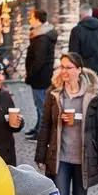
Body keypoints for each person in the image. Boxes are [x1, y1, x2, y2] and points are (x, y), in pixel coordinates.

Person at [35, 51, 98, 195]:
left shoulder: (93, 95)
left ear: (79, 70)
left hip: (84, 156)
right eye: (62, 66)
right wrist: (41, 155)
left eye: (68, 67)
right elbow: (46, 126)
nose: (64, 71)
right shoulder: (54, 94)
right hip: (62, 157)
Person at [68, 3, 98, 129]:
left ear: (81, 15)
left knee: (84, 98)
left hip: (85, 71)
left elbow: (73, 54)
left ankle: (87, 125)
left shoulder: (76, 31)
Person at [24, 7, 58, 139]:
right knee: (40, 103)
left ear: (37, 19)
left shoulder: (41, 37)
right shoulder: (41, 35)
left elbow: (39, 59)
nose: (30, 20)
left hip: (40, 76)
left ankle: (42, 132)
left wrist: (30, 74)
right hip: (42, 75)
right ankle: (39, 127)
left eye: (31, 18)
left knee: (41, 104)